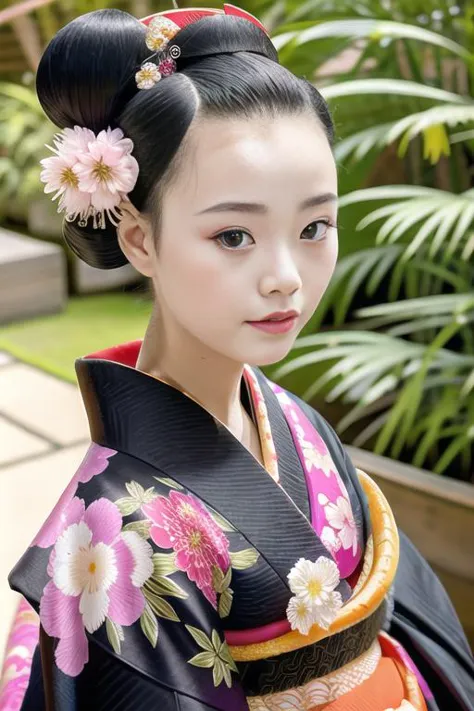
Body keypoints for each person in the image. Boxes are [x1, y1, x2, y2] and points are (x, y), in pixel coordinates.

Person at [2, 4, 473, 710]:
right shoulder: (113, 537)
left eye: (315, 225)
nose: (286, 274)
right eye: (233, 236)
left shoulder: (290, 418)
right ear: (138, 241)